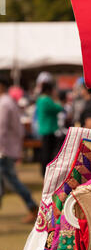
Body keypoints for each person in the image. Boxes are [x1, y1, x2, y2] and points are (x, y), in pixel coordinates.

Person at [0, 76, 38, 223]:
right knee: (7, 182)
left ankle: (33, 207)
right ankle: (32, 207)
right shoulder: (9, 102)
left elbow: (1, 129)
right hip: (8, 148)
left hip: (4, 150)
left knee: (11, 181)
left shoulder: (4, 103)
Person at [36, 82, 64, 175]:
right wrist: (56, 99)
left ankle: (43, 171)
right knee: (48, 153)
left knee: (45, 152)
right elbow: (58, 108)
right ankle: (45, 172)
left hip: (44, 128)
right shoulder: (47, 100)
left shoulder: (40, 99)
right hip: (49, 129)